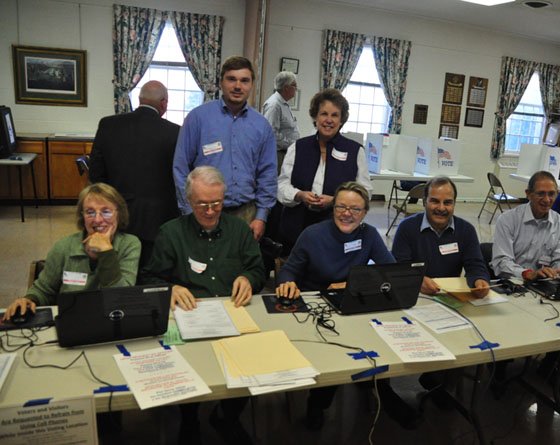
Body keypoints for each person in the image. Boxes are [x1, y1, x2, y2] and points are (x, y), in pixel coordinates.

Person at [276, 182, 421, 431]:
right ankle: (318, 403)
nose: (347, 213)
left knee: (379, 341)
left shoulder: (369, 234)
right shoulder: (312, 234)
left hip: (354, 301)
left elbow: (391, 271)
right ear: (333, 208)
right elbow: (288, 269)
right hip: (317, 307)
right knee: (334, 355)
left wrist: (352, 283)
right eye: (341, 206)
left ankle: (381, 391)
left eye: (355, 208)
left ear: (365, 212)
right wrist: (287, 282)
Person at [142, 166, 264, 445]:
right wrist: (171, 287)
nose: (210, 211)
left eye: (217, 203)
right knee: (188, 365)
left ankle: (227, 416)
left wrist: (247, 277)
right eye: (201, 204)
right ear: (188, 201)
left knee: (250, 363)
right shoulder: (171, 233)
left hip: (233, 313)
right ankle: (189, 418)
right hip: (189, 315)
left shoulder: (239, 231)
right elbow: (149, 278)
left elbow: (258, 269)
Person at [391, 175, 489, 409]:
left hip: (447, 300)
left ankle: (437, 382)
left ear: (455, 203)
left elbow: (475, 264)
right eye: (435, 201)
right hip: (412, 300)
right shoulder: (407, 228)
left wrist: (480, 281)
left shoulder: (465, 230)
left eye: (448, 202)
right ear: (424, 201)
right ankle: (429, 379)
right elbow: (397, 267)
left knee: (467, 336)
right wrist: (417, 279)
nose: (441, 208)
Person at [173, 56, 277, 241]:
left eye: (244, 80)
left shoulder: (262, 126)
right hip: (203, 211)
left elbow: (267, 173)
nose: (238, 86)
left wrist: (262, 216)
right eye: (231, 79)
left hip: (246, 214)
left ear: (252, 84)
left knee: (240, 267)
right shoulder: (198, 118)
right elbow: (181, 168)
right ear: (221, 82)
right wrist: (189, 212)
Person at [3, 183, 140, 319]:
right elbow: (43, 290)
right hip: (72, 320)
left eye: (106, 211)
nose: (97, 219)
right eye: (90, 212)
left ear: (119, 214)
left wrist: (106, 252)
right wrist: (29, 300)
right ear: (82, 216)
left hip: (112, 320)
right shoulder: (64, 246)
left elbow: (121, 298)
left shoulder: (129, 245)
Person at [491, 170, 560, 391]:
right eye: (541, 194)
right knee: (507, 321)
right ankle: (498, 369)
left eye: (552, 194)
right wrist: (529, 273)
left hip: (543, 285)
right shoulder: (508, 220)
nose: (547, 200)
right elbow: (501, 262)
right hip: (511, 283)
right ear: (528, 194)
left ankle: (550, 367)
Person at [89, 80, 180, 267]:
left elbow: (96, 174)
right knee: (152, 271)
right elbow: (180, 177)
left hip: (118, 216)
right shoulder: (175, 132)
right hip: (160, 218)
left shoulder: (108, 125)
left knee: (117, 267)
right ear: (164, 103)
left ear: (139, 99)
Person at [277, 88, 372, 250]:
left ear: (342, 120)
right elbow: (281, 186)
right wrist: (299, 195)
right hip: (297, 229)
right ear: (315, 116)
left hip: (337, 228)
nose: (329, 120)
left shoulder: (355, 151)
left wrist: (336, 200)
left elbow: (365, 192)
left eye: (335, 115)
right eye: (324, 114)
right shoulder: (298, 147)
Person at [262, 71, 300, 171]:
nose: (296, 88)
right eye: (294, 85)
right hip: (278, 154)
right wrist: (292, 144)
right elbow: (271, 134)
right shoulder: (274, 105)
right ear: (286, 87)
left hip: (286, 153)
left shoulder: (284, 103)